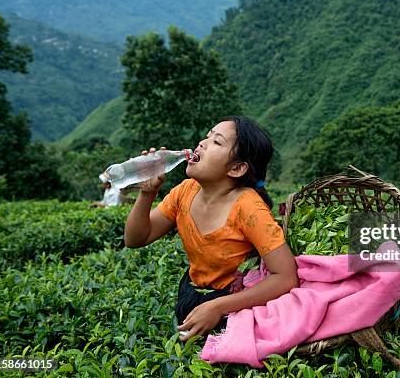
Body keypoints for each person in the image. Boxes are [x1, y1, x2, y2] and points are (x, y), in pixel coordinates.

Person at [123, 115, 299, 340]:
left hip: (235, 303)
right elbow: (136, 239)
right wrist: (147, 194)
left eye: (216, 142)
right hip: (193, 291)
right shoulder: (185, 191)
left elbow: (285, 277)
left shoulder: (248, 208)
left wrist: (219, 307)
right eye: (206, 138)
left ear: (236, 168)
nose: (201, 144)